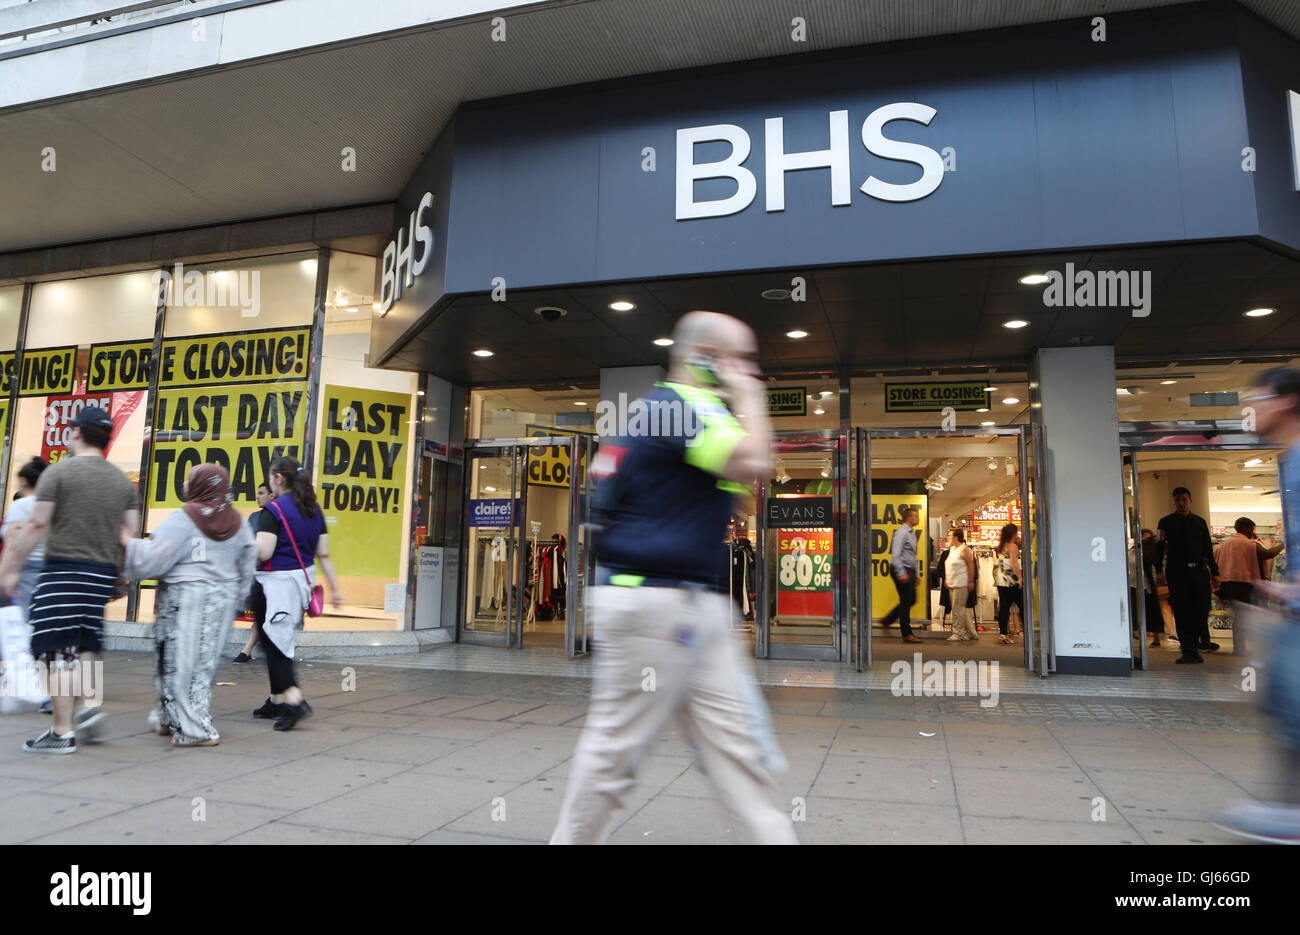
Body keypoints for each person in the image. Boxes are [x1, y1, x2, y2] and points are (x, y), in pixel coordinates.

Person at [550, 311, 797, 845]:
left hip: (694, 607)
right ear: (708, 356)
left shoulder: (688, 411)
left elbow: (748, 498)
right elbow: (753, 463)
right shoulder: (674, 408)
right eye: (741, 357)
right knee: (616, 754)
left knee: (739, 753)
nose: (750, 369)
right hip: (655, 607)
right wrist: (751, 395)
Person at [0, 407, 139, 754]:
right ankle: (88, 705)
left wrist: (10, 568)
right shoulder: (122, 482)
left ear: (76, 432)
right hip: (100, 574)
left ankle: (61, 732)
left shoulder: (58, 473)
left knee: (57, 649)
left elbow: (35, 525)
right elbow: (130, 532)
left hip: (63, 569)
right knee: (85, 641)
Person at [1214, 367, 1300, 842]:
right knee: (1282, 698)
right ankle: (1288, 807)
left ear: (1286, 401)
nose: (1252, 407)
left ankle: (1289, 811)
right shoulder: (1289, 459)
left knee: (1288, 698)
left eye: (1259, 398)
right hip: (1289, 606)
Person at [121, 465, 256, 746]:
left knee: (179, 666)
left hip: (185, 602)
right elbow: (247, 561)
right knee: (201, 668)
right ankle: (171, 718)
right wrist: (239, 595)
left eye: (189, 479)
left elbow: (154, 559)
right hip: (221, 601)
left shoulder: (185, 518)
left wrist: (127, 543)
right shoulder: (237, 522)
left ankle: (195, 729)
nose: (184, 483)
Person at [252, 455, 342, 731]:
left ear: (279, 479)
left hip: (273, 585)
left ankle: (293, 700)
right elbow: (324, 554)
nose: (269, 484)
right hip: (300, 585)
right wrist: (336, 589)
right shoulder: (314, 511)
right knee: (275, 640)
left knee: (275, 645)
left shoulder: (273, 511)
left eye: (270, 479)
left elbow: (263, 551)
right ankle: (276, 699)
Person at [0, 457, 51, 714]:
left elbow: (12, 543)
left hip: (25, 570)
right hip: (50, 570)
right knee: (43, 628)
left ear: (23, 481)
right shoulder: (52, 505)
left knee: (18, 630)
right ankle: (45, 693)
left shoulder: (21, 506)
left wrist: (6, 573)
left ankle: (19, 684)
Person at [1155, 487, 1220, 663]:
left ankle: (1195, 643)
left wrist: (1215, 572)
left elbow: (1208, 548)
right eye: (1177, 500)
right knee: (1182, 610)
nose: (1181, 503)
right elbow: (1159, 547)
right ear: (1173, 502)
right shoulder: (1165, 522)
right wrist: (1159, 570)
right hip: (1177, 572)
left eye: (1184, 499)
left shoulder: (1200, 522)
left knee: (1203, 608)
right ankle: (1189, 651)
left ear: (1190, 500)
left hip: (1199, 572)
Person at [233, 481, 272, 663]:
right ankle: (247, 649)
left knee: (263, 612)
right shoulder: (254, 517)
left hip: (270, 571)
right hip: (254, 570)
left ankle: (247, 649)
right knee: (258, 611)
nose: (258, 496)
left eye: (261, 493)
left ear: (272, 495)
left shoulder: (277, 517)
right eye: (257, 492)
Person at [1216, 516, 1283, 612]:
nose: (1252, 532)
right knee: (1245, 614)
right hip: (1242, 586)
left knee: (1238, 614)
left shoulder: (1224, 545)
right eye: (1252, 529)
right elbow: (1268, 554)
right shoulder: (1248, 544)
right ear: (1246, 528)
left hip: (1226, 585)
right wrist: (1282, 545)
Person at [879, 507, 923, 643]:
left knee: (911, 599)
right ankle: (907, 633)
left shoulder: (911, 533)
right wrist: (901, 572)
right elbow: (896, 554)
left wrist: (916, 573)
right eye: (915, 516)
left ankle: (887, 620)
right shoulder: (902, 533)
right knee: (906, 600)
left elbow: (912, 556)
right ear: (909, 518)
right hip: (901, 568)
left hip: (909, 568)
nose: (918, 518)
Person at [944, 529, 977, 642]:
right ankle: (972, 633)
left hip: (961, 583)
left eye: (950, 536)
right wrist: (947, 578)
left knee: (957, 609)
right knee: (960, 609)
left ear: (956, 537)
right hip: (953, 583)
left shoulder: (964, 549)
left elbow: (971, 565)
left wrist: (971, 580)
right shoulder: (952, 549)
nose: (948, 538)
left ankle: (958, 632)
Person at [993, 523, 1021, 645]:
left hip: (1000, 579)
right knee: (1022, 604)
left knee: (1004, 607)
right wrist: (1020, 578)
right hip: (1011, 579)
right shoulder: (1012, 546)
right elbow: (1014, 563)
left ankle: (1003, 633)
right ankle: (1025, 631)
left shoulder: (1001, 546)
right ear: (1012, 533)